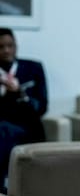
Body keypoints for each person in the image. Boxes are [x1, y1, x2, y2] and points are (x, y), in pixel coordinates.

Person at [0, 28, 47, 187]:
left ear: (16, 46)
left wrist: (20, 92)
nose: (6, 50)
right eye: (1, 47)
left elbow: (41, 107)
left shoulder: (33, 68)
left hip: (27, 127)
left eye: (10, 45)